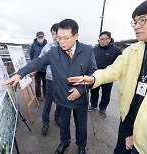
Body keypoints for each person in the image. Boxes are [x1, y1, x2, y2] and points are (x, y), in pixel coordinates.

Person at [68, 0, 147, 153]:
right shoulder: (132, 50)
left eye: (143, 19)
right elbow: (113, 70)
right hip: (128, 120)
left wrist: (138, 137)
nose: (136, 26)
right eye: (134, 22)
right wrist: (94, 78)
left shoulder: (116, 49)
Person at [5, 19, 97, 154]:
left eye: (66, 38)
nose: (62, 42)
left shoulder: (87, 50)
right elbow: (37, 62)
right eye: (59, 38)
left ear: (76, 36)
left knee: (81, 126)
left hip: (81, 98)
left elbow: (93, 73)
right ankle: (64, 143)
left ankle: (81, 146)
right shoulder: (54, 52)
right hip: (62, 97)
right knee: (63, 125)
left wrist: (81, 90)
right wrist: (19, 74)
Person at [88, 31, 121, 118]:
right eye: (100, 39)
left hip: (108, 77)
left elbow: (118, 65)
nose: (102, 41)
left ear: (109, 39)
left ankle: (103, 108)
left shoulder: (116, 51)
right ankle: (93, 105)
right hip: (96, 75)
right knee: (94, 91)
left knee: (106, 93)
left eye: (104, 39)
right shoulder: (94, 49)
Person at [39, 23, 61, 136]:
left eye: (56, 33)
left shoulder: (66, 47)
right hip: (50, 79)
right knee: (48, 101)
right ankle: (45, 122)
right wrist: (32, 69)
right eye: (52, 33)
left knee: (60, 102)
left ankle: (57, 117)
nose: (54, 36)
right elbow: (39, 60)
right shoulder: (47, 47)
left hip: (62, 81)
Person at [29, 31, 47, 101]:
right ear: (36, 37)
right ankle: (38, 95)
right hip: (36, 68)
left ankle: (45, 94)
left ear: (44, 37)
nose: (40, 38)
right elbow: (31, 55)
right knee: (37, 83)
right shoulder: (33, 45)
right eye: (39, 37)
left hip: (45, 67)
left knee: (45, 82)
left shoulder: (47, 45)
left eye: (41, 37)